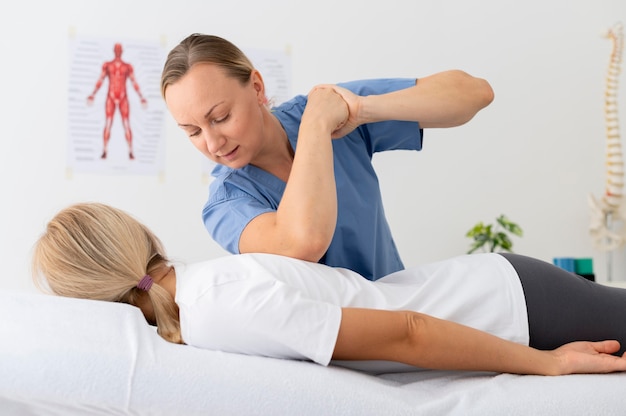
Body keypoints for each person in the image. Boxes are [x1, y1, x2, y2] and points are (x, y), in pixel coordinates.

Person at [32, 201, 626, 376]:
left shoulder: (214, 307)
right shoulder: (201, 297)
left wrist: (543, 366)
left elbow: (408, 332)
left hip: (510, 304)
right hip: (503, 302)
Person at [160, 33, 495, 281]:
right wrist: (316, 128)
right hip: (333, 353)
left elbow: (473, 94)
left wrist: (363, 110)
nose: (213, 142)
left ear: (257, 88)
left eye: (220, 117)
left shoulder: (328, 109)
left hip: (405, 309)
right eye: (193, 131)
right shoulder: (225, 206)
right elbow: (302, 243)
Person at [87, 42, 148, 160]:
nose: (118, 51)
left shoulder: (127, 66)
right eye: (117, 49)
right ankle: (105, 150)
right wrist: (93, 94)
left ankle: (130, 151)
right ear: (115, 51)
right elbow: (101, 79)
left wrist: (141, 96)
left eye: (119, 49)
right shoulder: (107, 65)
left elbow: (133, 81)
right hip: (111, 96)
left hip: (123, 97)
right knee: (109, 123)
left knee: (126, 124)